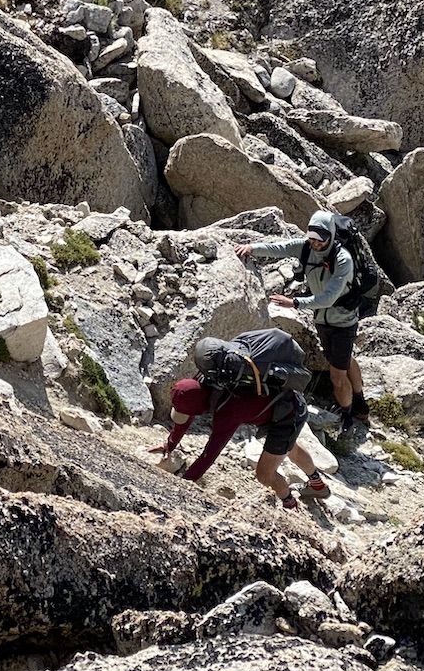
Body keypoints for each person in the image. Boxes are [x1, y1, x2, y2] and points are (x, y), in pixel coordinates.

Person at [236, 208, 379, 437]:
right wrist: (253, 248)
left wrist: (294, 303)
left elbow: (329, 298)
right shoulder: (306, 247)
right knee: (342, 358)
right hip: (322, 320)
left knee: (336, 375)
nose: (315, 245)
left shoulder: (343, 260)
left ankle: (349, 415)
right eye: (312, 239)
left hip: (342, 320)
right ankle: (360, 402)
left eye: (320, 241)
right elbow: (280, 247)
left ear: (331, 237)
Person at [149, 330, 332, 508]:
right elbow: (186, 414)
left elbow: (209, 455)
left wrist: (182, 486)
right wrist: (170, 445)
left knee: (265, 475)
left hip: (287, 417)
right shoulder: (208, 375)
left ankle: (289, 504)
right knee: (289, 447)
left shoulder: (228, 410)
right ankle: (317, 486)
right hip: (285, 402)